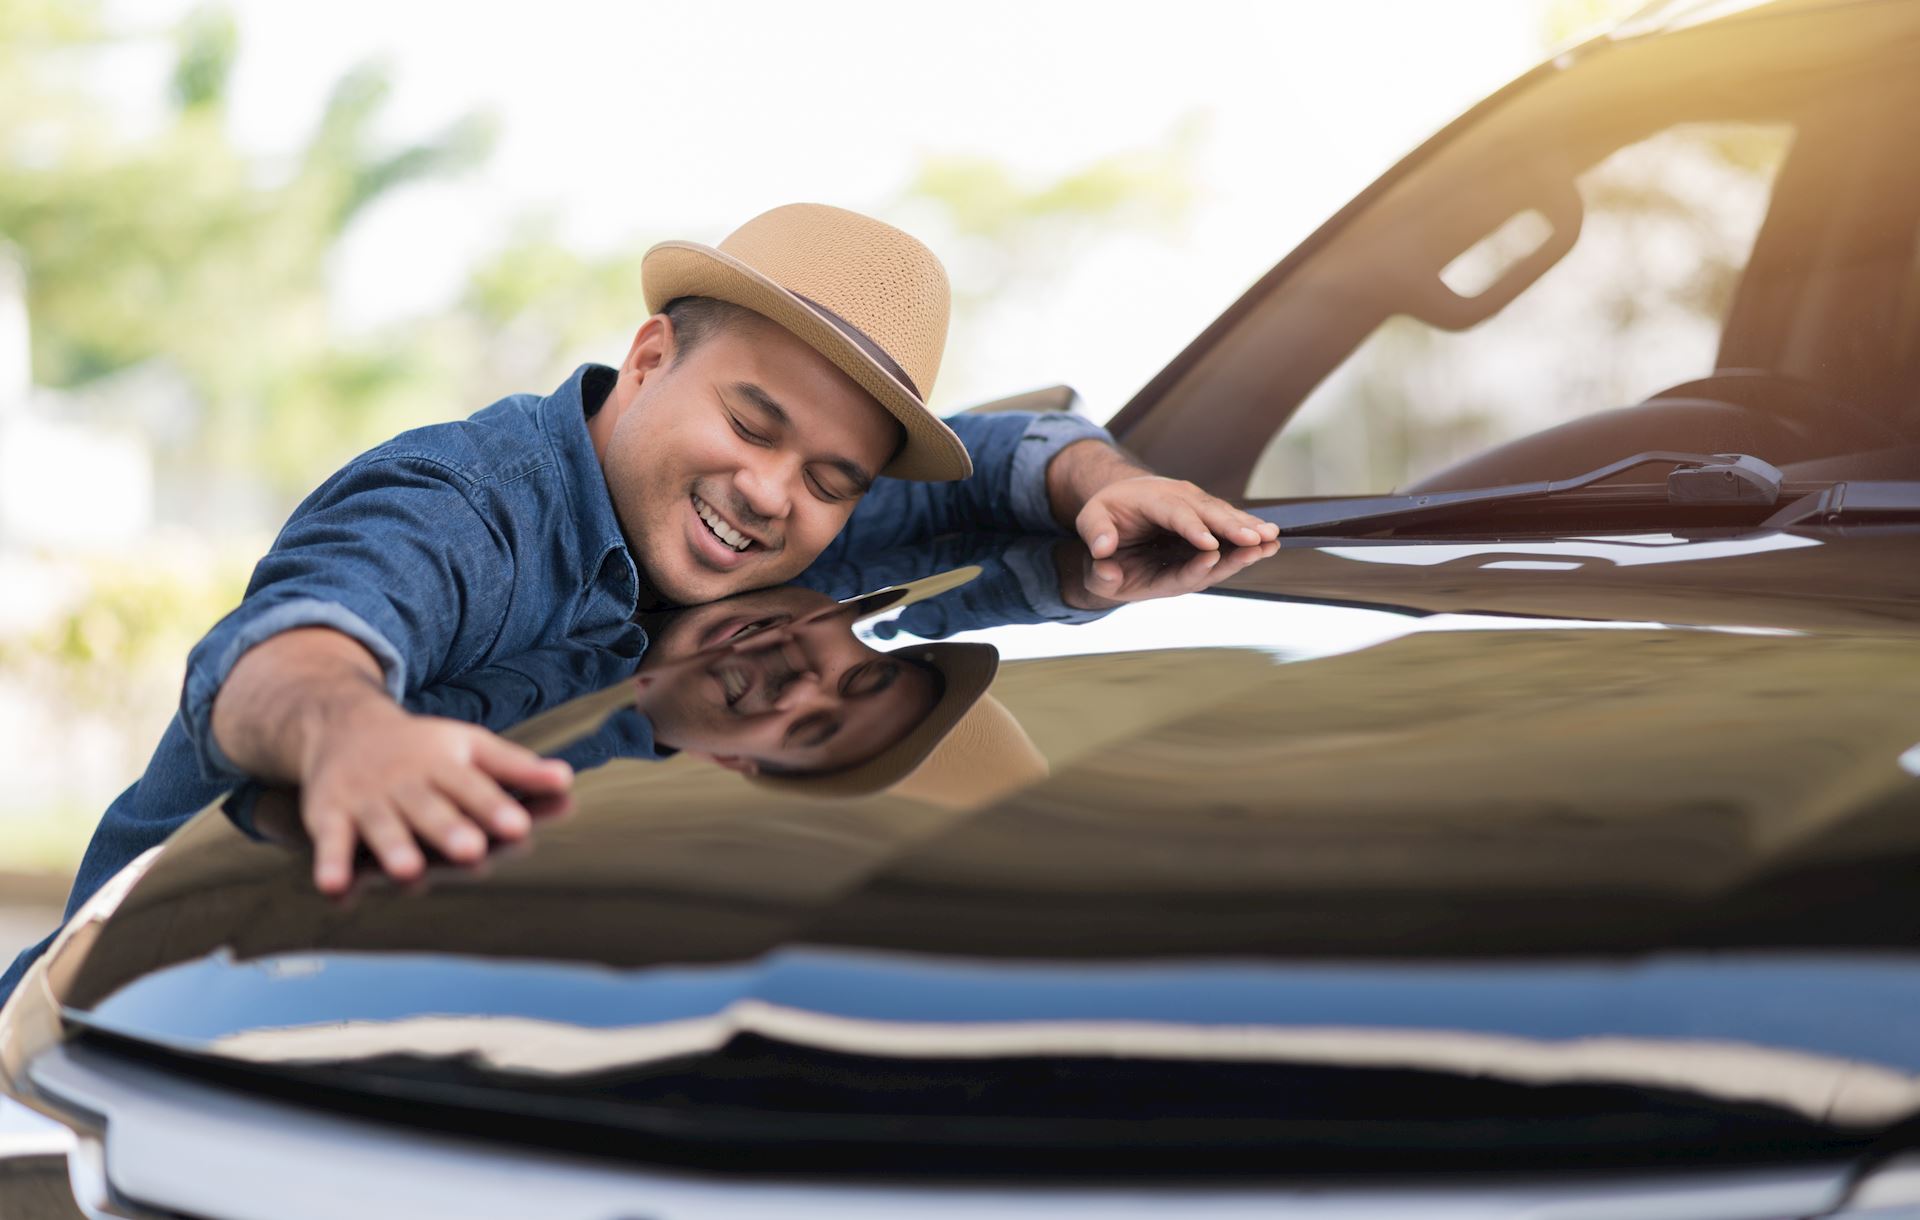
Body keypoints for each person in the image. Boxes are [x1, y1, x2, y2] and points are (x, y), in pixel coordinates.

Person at [2, 202, 1275, 1006]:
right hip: (107, 1045)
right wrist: (350, 731)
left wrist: (1100, 479)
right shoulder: (476, 498)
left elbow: (1002, 453)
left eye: (832, 477)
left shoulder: (794, 519)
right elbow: (288, 647)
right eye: (750, 420)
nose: (773, 493)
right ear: (654, 355)